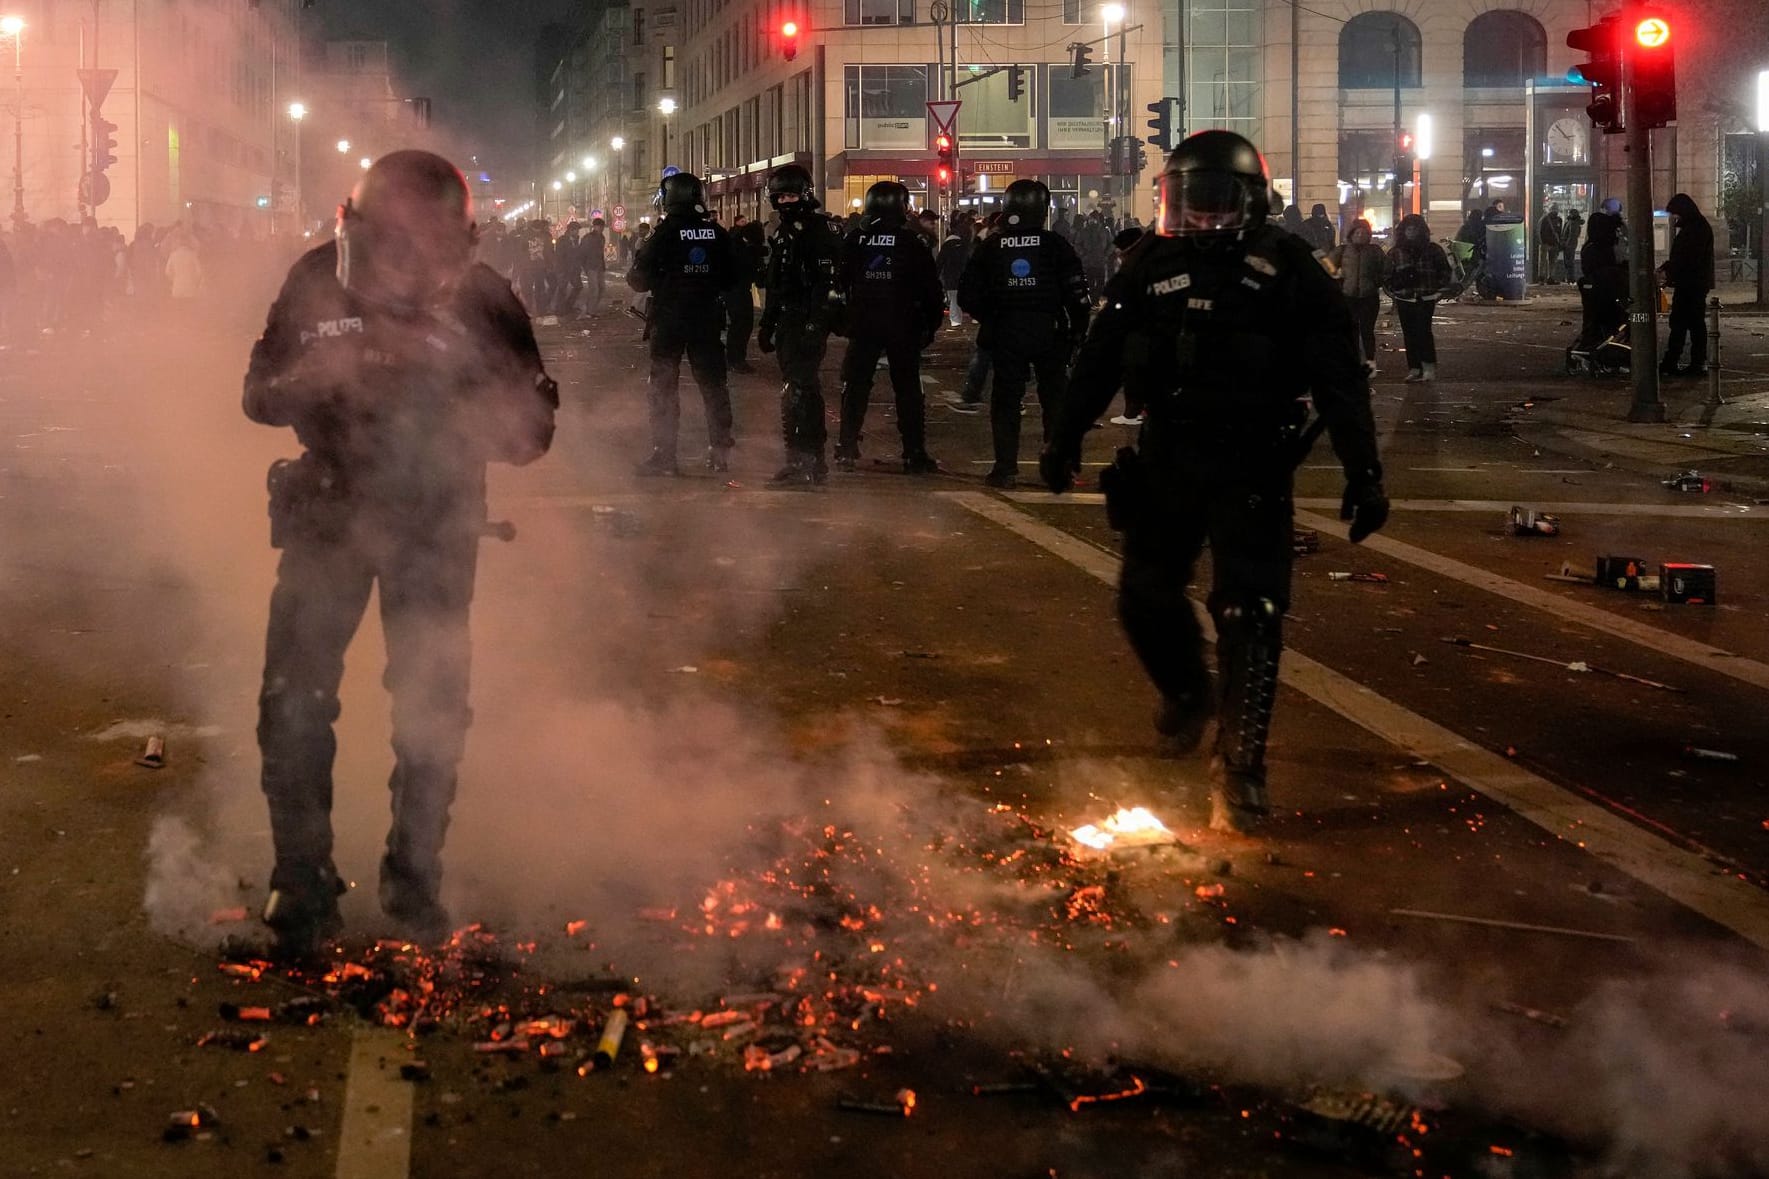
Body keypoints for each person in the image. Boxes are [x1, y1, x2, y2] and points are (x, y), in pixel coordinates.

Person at [242, 150, 558, 956]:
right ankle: (301, 878)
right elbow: (256, 395)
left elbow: (531, 434)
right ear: (354, 232)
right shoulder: (315, 278)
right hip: (329, 516)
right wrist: (313, 378)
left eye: (419, 247)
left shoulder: (484, 300)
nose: (399, 266)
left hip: (435, 521)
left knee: (430, 702)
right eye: (386, 245)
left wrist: (463, 400)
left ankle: (414, 878)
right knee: (294, 699)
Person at [1038, 130, 1386, 833]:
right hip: (1169, 451)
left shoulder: (1288, 268)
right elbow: (1100, 357)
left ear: (1249, 203)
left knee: (1249, 615)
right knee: (1142, 596)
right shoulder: (1148, 265)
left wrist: (1363, 470)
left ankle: (1243, 765)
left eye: (1217, 205)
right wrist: (1064, 434)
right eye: (1190, 204)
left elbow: (1338, 379)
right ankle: (1186, 692)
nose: (1203, 218)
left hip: (1254, 458)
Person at [958, 178, 1091, 488]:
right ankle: (1057, 469)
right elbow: (1078, 294)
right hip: (1049, 332)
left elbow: (968, 294)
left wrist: (992, 318)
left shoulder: (992, 247)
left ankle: (1005, 468)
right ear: (1042, 210)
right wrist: (1077, 332)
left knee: (1006, 401)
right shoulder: (1055, 245)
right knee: (1055, 402)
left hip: (1007, 332)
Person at [626, 172, 736, 475]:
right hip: (707, 319)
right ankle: (720, 452)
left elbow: (637, 279)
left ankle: (665, 456)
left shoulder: (663, 234)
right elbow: (731, 277)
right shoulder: (717, 232)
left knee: (663, 386)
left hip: (670, 319)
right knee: (713, 385)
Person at [831, 182, 944, 474]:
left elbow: (839, 283)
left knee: (855, 386)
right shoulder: (912, 241)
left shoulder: (857, 239)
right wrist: (930, 325)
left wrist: (842, 321)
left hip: (864, 323)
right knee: (907, 389)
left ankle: (846, 445)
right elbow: (930, 289)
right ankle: (914, 451)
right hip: (903, 324)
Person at [756, 163, 843, 487]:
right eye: (779, 197)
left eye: (791, 196)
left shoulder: (818, 231)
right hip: (789, 320)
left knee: (801, 392)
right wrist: (768, 323)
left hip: (807, 320)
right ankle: (802, 460)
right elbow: (777, 285)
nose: (784, 202)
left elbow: (829, 285)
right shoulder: (783, 232)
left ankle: (808, 461)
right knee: (796, 390)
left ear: (805, 195)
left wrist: (815, 326)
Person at [1382, 213, 1452, 382]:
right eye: (1408, 229)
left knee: (1423, 331)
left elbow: (1444, 271)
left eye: (1414, 229)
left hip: (1425, 296)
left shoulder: (1433, 249)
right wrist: (1394, 288)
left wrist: (1436, 288)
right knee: (1409, 333)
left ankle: (1428, 367)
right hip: (1405, 297)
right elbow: (1386, 274)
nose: (1411, 232)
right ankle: (1414, 368)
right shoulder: (1396, 252)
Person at [1658, 192, 1715, 377]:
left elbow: (1687, 258)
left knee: (1687, 323)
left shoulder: (1696, 229)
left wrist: (1670, 270)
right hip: (1692, 283)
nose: (1674, 218)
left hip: (1692, 284)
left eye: (1675, 214)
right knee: (1687, 323)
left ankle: (1688, 362)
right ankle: (1685, 362)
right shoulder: (1695, 227)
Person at [1333, 219, 1384, 373]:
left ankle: (1369, 362)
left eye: (1364, 233)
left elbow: (1386, 268)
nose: (1360, 235)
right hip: (1348, 296)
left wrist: (1377, 282)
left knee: (1367, 330)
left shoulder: (1374, 251)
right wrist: (1337, 279)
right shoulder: (1342, 250)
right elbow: (1327, 266)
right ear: (1352, 234)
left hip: (1368, 297)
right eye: (1358, 232)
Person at [726, 214, 763, 371]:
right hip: (736, 289)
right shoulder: (741, 249)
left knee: (741, 325)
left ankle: (735, 358)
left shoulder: (738, 245)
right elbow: (752, 273)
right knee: (741, 325)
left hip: (736, 289)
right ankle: (736, 359)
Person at [937, 214, 971, 328]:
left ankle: (955, 320)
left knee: (953, 298)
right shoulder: (965, 246)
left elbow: (940, 262)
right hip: (963, 276)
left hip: (950, 277)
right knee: (959, 297)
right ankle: (960, 317)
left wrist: (936, 275)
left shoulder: (947, 246)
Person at [581, 216, 609, 314]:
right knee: (594, 289)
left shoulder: (602, 238)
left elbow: (601, 253)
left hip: (600, 266)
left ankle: (591, 307)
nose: (601, 228)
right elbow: (583, 252)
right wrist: (584, 266)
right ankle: (590, 311)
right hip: (591, 266)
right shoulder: (588, 238)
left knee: (602, 288)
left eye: (602, 227)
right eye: (599, 226)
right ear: (594, 226)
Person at [1537, 205, 1563, 284]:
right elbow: (1540, 231)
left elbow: (1539, 231)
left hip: (1550, 243)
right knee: (1548, 262)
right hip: (1547, 243)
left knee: (1547, 262)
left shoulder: (1547, 219)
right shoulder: (1547, 219)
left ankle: (1546, 278)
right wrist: (1542, 242)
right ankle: (1547, 278)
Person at [1560, 207, 1584, 283]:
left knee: (1569, 262)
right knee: (1569, 262)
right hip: (1570, 245)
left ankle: (1570, 278)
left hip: (1569, 245)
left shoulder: (1572, 223)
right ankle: (1569, 277)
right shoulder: (1573, 222)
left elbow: (1572, 235)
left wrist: (1566, 244)